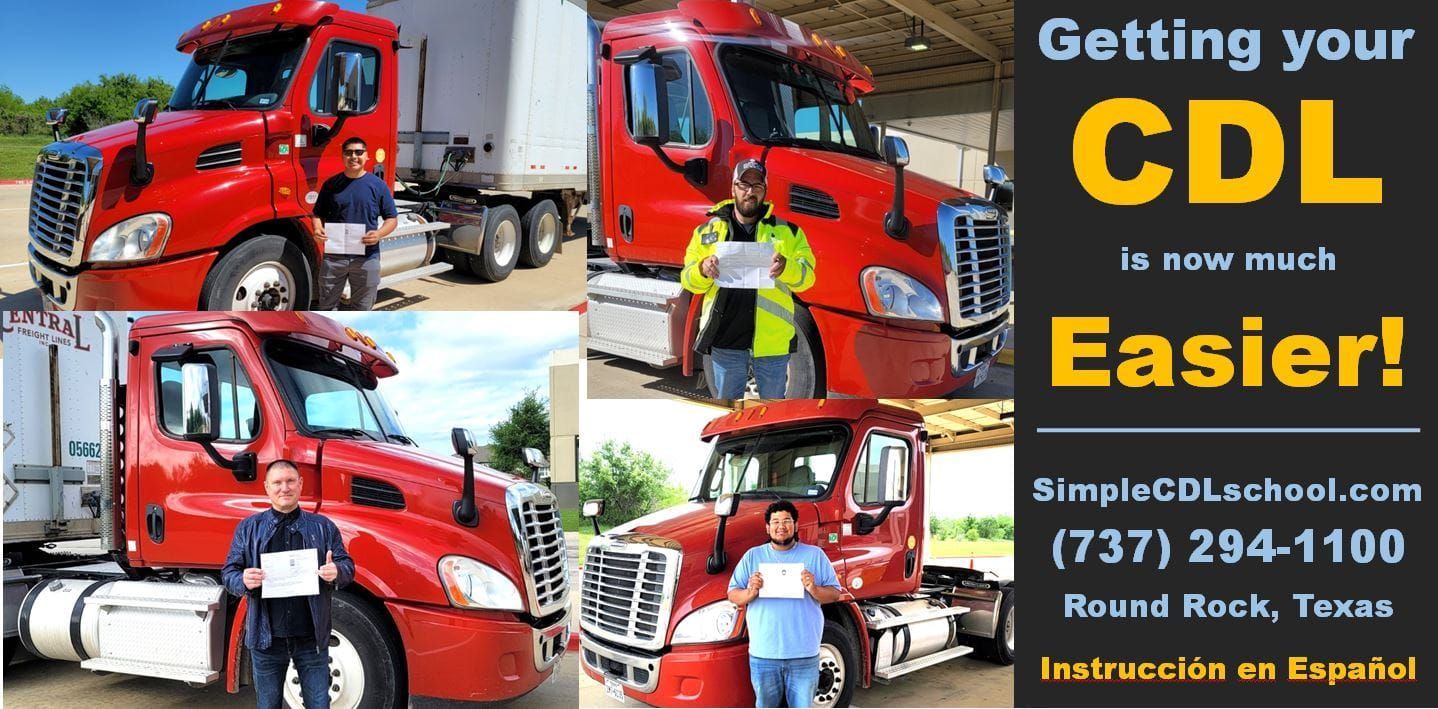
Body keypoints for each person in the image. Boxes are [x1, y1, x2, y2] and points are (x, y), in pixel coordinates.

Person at [222, 460, 355, 709]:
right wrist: (242, 580)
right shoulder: (248, 528)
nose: (285, 488)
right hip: (267, 639)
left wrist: (337, 571)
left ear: (300, 484)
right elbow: (229, 572)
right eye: (278, 483)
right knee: (269, 705)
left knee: (319, 704)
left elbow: (347, 566)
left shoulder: (323, 527)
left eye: (290, 481)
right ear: (267, 488)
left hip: (311, 638)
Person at [681, 159, 817, 399]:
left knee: (771, 415)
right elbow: (688, 279)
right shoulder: (707, 232)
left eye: (757, 186)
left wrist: (787, 268)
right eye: (744, 184)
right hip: (726, 341)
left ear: (765, 191)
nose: (750, 191)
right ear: (733, 187)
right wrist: (702, 269)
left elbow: (808, 278)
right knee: (727, 412)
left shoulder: (789, 232)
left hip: (772, 344)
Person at [727, 501, 843, 708]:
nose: (781, 526)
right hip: (763, 655)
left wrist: (814, 589)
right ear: (767, 527)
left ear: (796, 525)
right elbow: (733, 594)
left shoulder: (815, 555)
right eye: (776, 521)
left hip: (804, 655)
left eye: (787, 521)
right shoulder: (753, 556)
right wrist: (750, 592)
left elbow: (835, 594)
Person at [312, 136, 398, 310]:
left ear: (367, 157)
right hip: (334, 257)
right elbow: (317, 214)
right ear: (343, 157)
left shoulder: (378, 186)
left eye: (359, 152)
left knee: (363, 307)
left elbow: (392, 219)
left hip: (367, 257)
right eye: (348, 152)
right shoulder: (331, 185)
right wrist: (317, 229)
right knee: (327, 307)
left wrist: (379, 234)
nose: (354, 157)